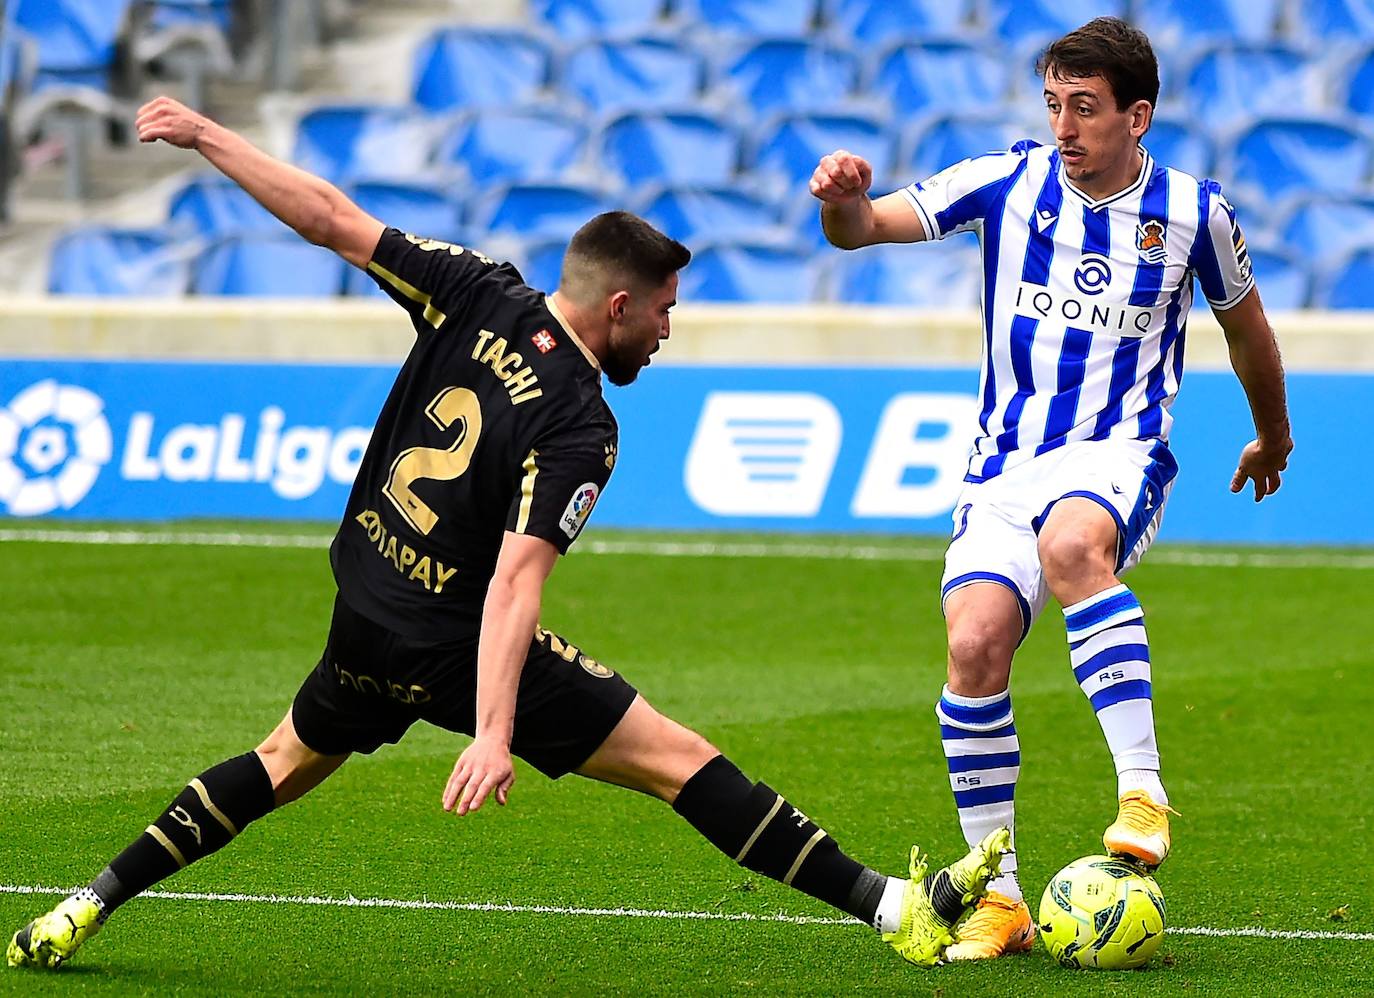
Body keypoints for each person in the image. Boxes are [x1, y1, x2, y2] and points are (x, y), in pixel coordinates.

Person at [7, 96, 1010, 974]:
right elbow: (515, 584)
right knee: (677, 757)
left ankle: (82, 903)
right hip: (453, 644)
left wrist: (206, 134)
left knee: (278, 761)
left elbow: (333, 221)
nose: (668, 331)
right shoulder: (581, 421)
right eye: (662, 311)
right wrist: (493, 731)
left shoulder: (474, 286)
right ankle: (896, 909)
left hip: (364, 614)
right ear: (618, 304)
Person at [809, 17, 1291, 960]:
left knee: (1074, 550)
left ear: (1136, 116)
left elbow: (1248, 332)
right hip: (1003, 465)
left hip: (1120, 451)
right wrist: (844, 199)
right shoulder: (1007, 180)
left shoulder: (1196, 213)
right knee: (974, 646)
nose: (1064, 126)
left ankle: (1142, 791)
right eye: (1053, 105)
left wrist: (1272, 436)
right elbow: (864, 232)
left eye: (1084, 108)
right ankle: (1002, 897)